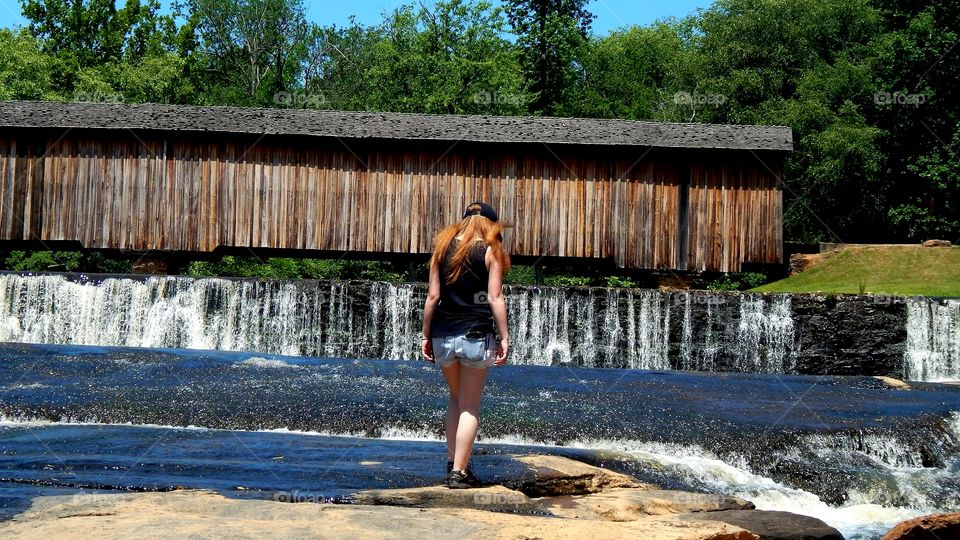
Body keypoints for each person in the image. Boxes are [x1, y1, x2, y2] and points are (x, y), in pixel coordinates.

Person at [421, 201, 510, 489]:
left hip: (443, 335)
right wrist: (505, 337)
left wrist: (425, 335)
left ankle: (453, 462)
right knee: (470, 407)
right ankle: (459, 474)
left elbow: (432, 297)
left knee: (456, 400)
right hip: (475, 335)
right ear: (490, 225)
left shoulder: (441, 249)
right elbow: (495, 297)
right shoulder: (489, 250)